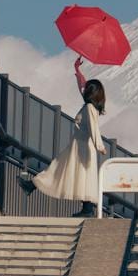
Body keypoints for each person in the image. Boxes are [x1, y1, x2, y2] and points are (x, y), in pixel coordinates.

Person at [32, 72, 107, 217]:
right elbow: (82, 88)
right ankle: (33, 185)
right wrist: (78, 72)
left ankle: (87, 209)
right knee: (73, 172)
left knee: (68, 170)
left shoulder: (89, 108)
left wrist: (100, 146)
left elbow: (93, 129)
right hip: (78, 146)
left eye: (87, 89)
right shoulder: (90, 106)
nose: (84, 90)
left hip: (83, 147)